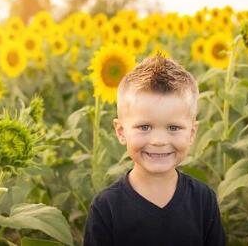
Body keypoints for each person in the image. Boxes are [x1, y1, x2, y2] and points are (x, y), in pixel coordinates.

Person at [83, 53, 225, 246]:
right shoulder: (106, 207)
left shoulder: (203, 201)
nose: (158, 141)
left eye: (173, 128)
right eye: (144, 127)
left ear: (192, 133)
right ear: (121, 131)